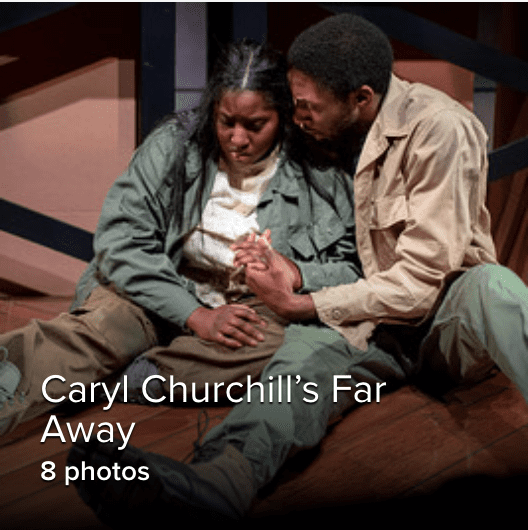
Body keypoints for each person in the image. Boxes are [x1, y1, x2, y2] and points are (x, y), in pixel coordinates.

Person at [66, 14, 528, 526]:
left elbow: (420, 286)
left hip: (440, 318)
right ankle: (217, 483)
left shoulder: (439, 130)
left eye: (306, 108)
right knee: (295, 377)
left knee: (496, 286)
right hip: (369, 326)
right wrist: (293, 275)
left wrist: (305, 301)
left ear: (362, 98)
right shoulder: (320, 141)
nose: (296, 117)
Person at [0, 39, 360, 438]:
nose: (238, 139)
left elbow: (350, 268)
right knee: (99, 331)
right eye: (227, 121)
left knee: (289, 343)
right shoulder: (175, 144)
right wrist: (195, 315)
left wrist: (291, 272)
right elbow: (120, 243)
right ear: (213, 110)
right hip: (159, 285)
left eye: (256, 125)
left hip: (251, 304)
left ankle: (140, 376)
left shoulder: (317, 171)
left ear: (284, 116)